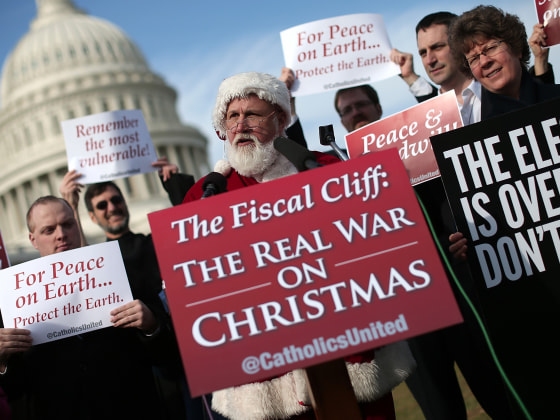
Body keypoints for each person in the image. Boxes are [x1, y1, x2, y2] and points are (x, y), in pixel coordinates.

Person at [183, 71, 416, 420]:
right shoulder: (204, 194)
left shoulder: (323, 169)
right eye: (232, 116)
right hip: (265, 372)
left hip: (346, 350)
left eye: (253, 114)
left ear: (280, 120)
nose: (241, 125)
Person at [0, 196, 169, 419]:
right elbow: (16, 390)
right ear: (33, 239)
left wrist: (151, 325)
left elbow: (167, 356)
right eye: (49, 230)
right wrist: (2, 362)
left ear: (77, 225)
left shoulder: (121, 271)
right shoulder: (15, 301)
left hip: (132, 407)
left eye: (67, 224)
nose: (61, 234)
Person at [60, 164, 202, 420]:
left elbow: (194, 235)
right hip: (134, 363)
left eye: (116, 200)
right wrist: (70, 204)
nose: (112, 208)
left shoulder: (153, 242)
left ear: (125, 202)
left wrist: (175, 184)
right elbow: (79, 264)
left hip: (182, 350)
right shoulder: (98, 262)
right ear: (92, 217)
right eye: (102, 206)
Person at [390, 12, 554, 126]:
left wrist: (540, 62)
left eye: (438, 47)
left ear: (459, 46)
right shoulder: (426, 118)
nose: (430, 60)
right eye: (422, 53)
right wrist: (410, 77)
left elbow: (539, 108)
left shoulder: (499, 88)